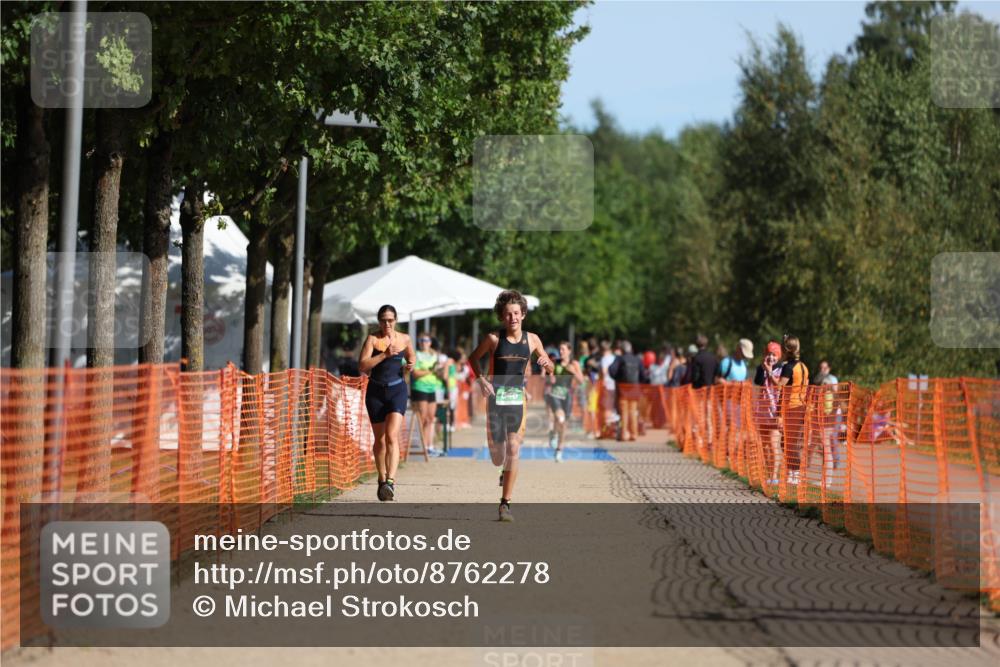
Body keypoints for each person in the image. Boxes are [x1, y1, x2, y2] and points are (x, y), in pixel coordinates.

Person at [468, 290, 554, 522]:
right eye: (508, 314)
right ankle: (503, 470)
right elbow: (473, 358)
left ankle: (505, 504)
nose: (512, 318)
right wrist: (482, 379)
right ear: (501, 317)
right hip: (496, 400)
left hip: (517, 400)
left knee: (514, 448)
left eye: (516, 313)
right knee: (499, 457)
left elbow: (550, 366)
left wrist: (548, 363)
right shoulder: (493, 339)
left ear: (523, 314)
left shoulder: (533, 339)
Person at [358, 305, 415, 501]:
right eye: (383, 320)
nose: (387, 324)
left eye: (390, 320)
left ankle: (391, 481)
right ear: (379, 321)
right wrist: (384, 355)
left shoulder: (405, 338)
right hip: (375, 392)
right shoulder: (373, 339)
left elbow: (412, 357)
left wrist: (411, 364)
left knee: (392, 436)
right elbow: (363, 366)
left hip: (397, 390)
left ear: (396, 320)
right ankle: (381, 479)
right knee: (380, 440)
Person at [776, 335, 809, 485]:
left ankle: (795, 475)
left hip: (792, 407)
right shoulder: (803, 366)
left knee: (790, 443)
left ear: (786, 349)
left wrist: (770, 372)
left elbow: (779, 385)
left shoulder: (788, 367)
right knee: (787, 442)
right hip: (801, 406)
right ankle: (792, 472)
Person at [546, 341, 585, 461]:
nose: (561, 351)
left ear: (569, 351)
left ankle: (559, 450)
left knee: (564, 425)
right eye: (560, 349)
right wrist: (550, 378)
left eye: (563, 349)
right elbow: (549, 376)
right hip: (555, 394)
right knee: (560, 418)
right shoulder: (555, 362)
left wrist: (573, 372)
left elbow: (581, 381)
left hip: (567, 395)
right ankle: (553, 433)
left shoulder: (574, 363)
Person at [753, 341, 784, 486]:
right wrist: (763, 368)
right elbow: (758, 382)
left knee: (773, 444)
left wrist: (770, 370)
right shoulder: (762, 368)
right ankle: (768, 473)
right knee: (765, 445)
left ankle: (774, 476)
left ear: (778, 356)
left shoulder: (782, 369)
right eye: (768, 354)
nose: (771, 357)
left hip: (775, 411)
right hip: (762, 411)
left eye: (774, 354)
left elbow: (778, 384)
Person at [411, 332, 446, 457]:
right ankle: (420, 447)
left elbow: (439, 373)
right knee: (422, 418)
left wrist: (440, 371)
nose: (423, 342)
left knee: (431, 419)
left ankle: (429, 446)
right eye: (421, 340)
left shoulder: (434, 355)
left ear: (430, 342)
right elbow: (415, 373)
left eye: (426, 340)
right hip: (420, 388)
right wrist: (431, 370)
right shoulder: (416, 354)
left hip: (433, 388)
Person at [614, 340, 643, 441]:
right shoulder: (637, 360)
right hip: (634, 389)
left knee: (624, 412)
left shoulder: (620, 359)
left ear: (622, 349)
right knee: (633, 412)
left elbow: (612, 371)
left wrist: (618, 378)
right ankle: (634, 434)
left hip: (623, 389)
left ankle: (624, 434)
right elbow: (643, 375)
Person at [598, 339, 620, 437]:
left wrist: (602, 380)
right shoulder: (614, 357)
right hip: (614, 384)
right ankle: (614, 428)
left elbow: (604, 371)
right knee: (613, 406)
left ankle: (608, 429)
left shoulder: (604, 359)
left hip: (607, 384)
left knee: (607, 407)